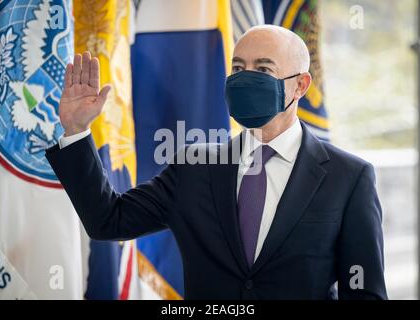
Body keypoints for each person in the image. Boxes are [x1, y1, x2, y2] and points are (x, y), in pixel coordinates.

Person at [46, 25, 387, 299]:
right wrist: (76, 131)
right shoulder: (195, 168)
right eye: (238, 67)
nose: (245, 77)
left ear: (300, 85)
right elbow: (109, 221)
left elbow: (363, 291)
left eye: (263, 68)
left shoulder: (349, 178)